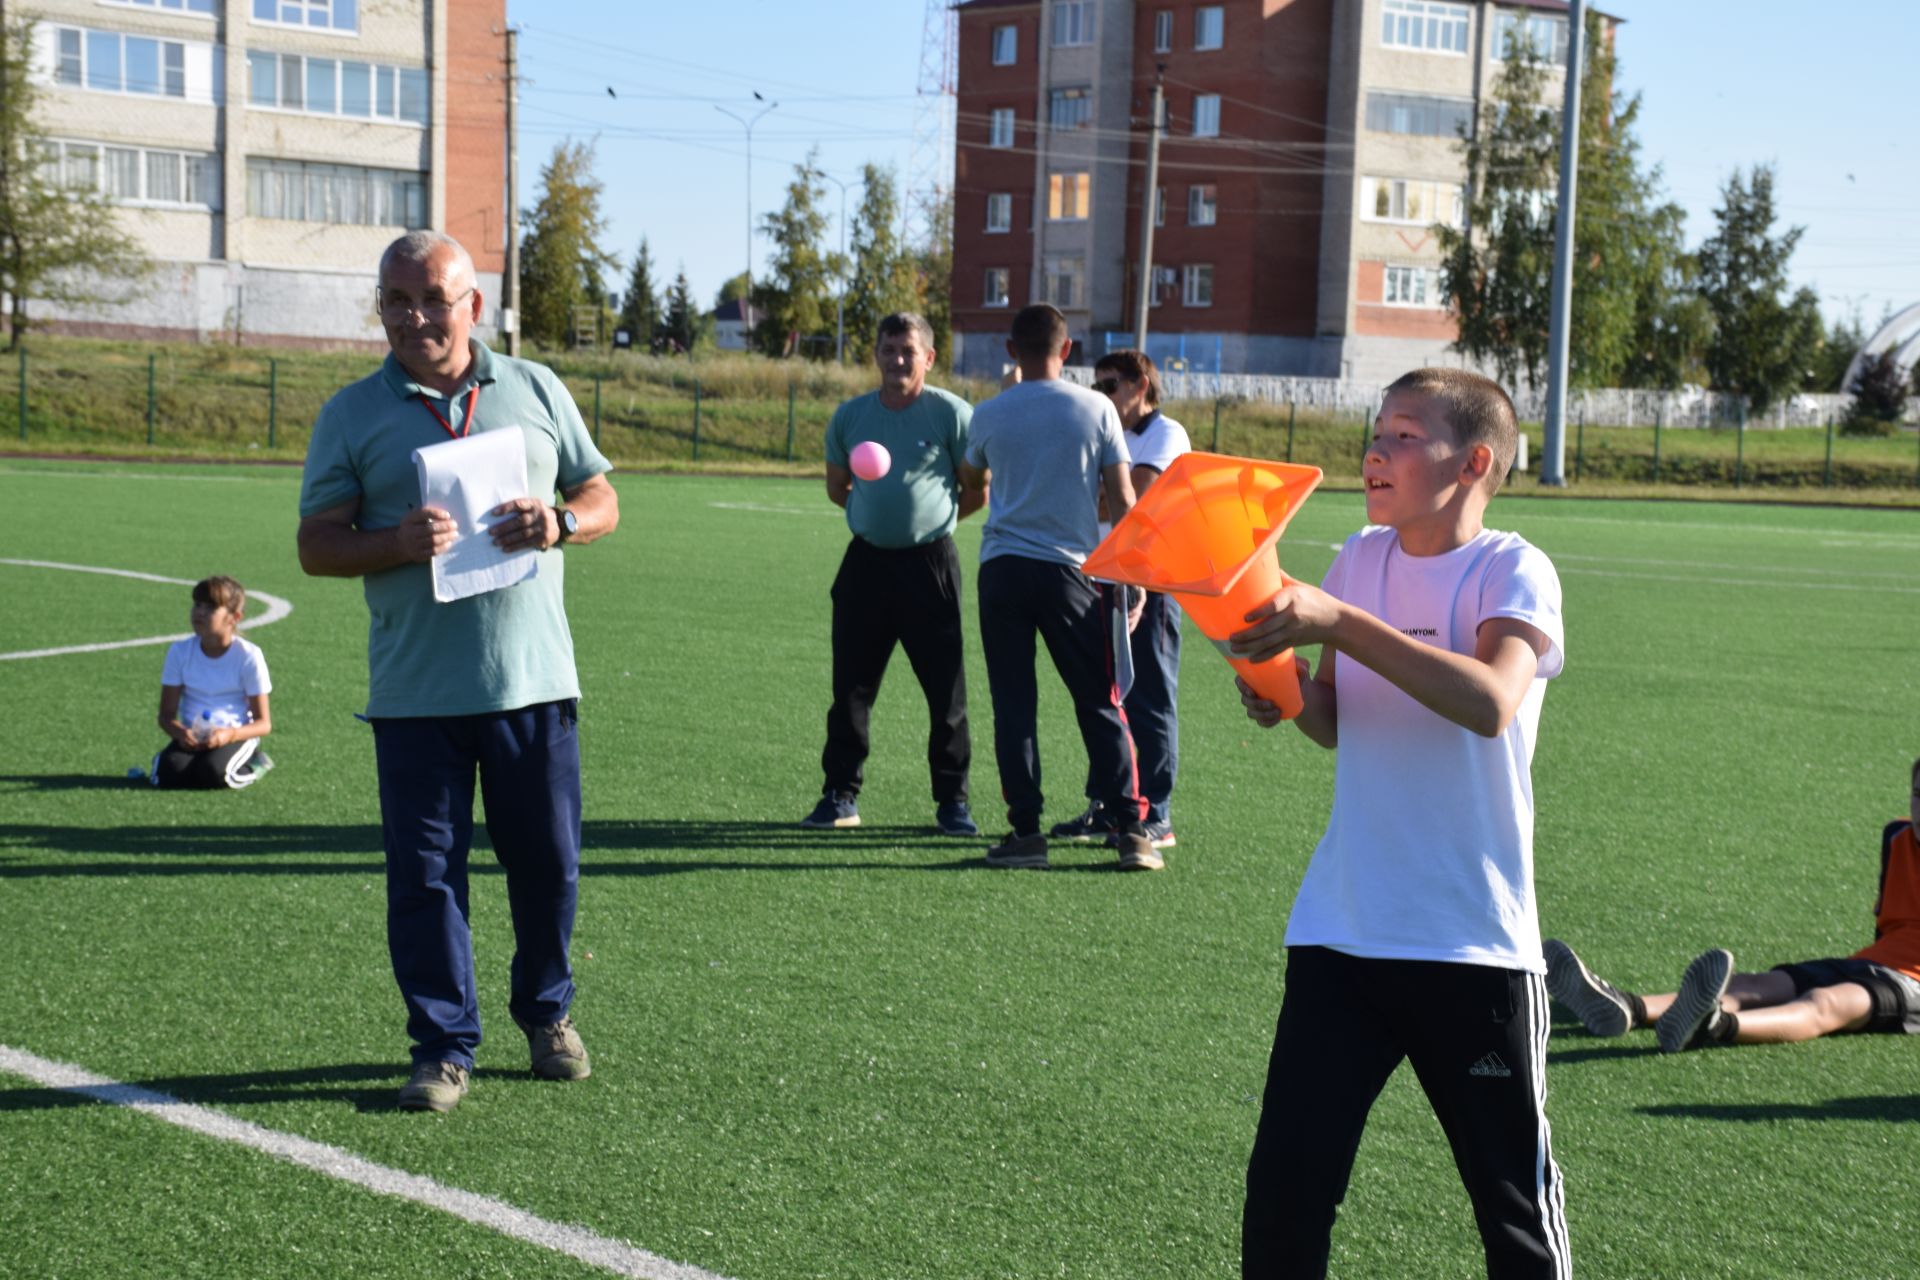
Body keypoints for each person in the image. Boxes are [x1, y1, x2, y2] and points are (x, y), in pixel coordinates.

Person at [1231, 368, 1570, 1276]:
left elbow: (1492, 700)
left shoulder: (1512, 567)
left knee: (1514, 1213)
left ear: (1475, 462)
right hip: (1342, 933)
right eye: (1376, 432)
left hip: (1472, 946)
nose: (1375, 451)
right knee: (1285, 1198)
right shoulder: (1359, 559)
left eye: (1406, 434)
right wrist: (1285, 691)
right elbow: (1336, 723)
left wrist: (1337, 622)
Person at [296, 230, 620, 1114]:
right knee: (427, 878)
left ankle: (548, 1014)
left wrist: (560, 524)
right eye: (396, 301)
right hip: (415, 693)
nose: (414, 316)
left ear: (473, 303)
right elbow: (315, 546)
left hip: (533, 681)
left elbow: (602, 496)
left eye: (433, 298)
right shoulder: (352, 413)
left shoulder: (536, 387)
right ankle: (442, 1047)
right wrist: (392, 543)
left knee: (548, 866)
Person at [959, 304, 1160, 873]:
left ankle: (1026, 833)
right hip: (1070, 572)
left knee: (1014, 705)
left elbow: (972, 478)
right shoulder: (1097, 407)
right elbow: (1124, 501)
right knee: (1100, 699)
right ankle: (1131, 831)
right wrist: (1135, 576)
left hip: (1002, 570)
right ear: (1067, 350)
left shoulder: (990, 413)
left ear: (1009, 349)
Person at [1547, 758, 1920, 1053]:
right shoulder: (1897, 836)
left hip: (1914, 981)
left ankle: (1716, 1026)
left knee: (1827, 1001)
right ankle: (1630, 1008)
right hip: (1872, 960)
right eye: (1918, 794)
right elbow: (1888, 924)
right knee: (1756, 984)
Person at [800, 312, 987, 836]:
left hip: (931, 565)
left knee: (946, 692)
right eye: (888, 350)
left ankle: (953, 804)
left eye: (908, 351)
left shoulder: (952, 415)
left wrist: (932, 522)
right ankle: (840, 795)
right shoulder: (850, 416)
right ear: (877, 354)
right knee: (850, 689)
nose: (897, 360)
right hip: (865, 565)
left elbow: (978, 490)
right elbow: (838, 489)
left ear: (928, 358)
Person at [1050, 349, 1190, 851]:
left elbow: (1137, 499)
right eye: (1096, 385)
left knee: (1149, 696)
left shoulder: (1165, 434)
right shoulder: (1104, 431)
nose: (1099, 395)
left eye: (1109, 385)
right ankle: (1110, 804)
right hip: (1100, 577)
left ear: (1142, 384)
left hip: (1148, 581)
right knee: (1104, 697)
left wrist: (1096, 491)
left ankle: (1158, 812)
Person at [150, 575, 273, 789]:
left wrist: (228, 735)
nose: (199, 612)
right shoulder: (179, 652)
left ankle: (256, 765)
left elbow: (263, 724)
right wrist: (181, 733)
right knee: (167, 774)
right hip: (193, 736)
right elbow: (166, 715)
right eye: (197, 605)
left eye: (210, 608)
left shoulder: (248, 656)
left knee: (213, 772)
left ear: (234, 617)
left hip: (235, 735)